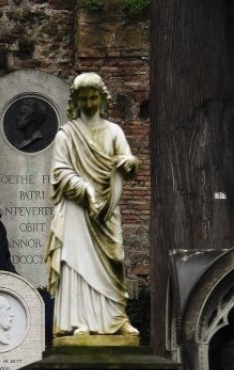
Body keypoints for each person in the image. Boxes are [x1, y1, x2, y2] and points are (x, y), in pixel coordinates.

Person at [44, 72, 139, 337]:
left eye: (93, 97)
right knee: (77, 263)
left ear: (102, 98)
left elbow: (128, 161)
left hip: (107, 209)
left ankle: (117, 318)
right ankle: (78, 320)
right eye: (83, 98)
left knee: (114, 258)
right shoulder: (67, 135)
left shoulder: (114, 131)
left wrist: (130, 163)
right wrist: (85, 190)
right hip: (77, 208)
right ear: (76, 101)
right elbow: (59, 172)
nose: (88, 104)